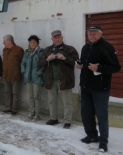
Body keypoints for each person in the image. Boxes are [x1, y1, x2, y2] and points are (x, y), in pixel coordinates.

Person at [76, 25, 120, 153]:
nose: (92, 35)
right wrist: (80, 65)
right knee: (87, 114)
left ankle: (103, 141)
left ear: (100, 34)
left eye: (94, 33)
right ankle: (91, 135)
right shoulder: (85, 47)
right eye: (90, 33)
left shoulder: (106, 47)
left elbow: (116, 67)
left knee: (101, 115)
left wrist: (99, 68)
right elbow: (85, 63)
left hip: (100, 88)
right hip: (85, 87)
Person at [39, 30, 79, 129]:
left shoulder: (70, 49)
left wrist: (65, 58)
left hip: (65, 80)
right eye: (55, 37)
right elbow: (40, 63)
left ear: (62, 37)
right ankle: (53, 118)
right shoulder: (47, 50)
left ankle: (67, 121)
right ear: (51, 39)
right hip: (51, 80)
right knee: (52, 101)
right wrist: (47, 59)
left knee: (67, 102)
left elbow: (76, 62)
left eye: (58, 37)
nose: (57, 39)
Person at [21, 35, 45, 121]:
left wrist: (39, 72)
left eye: (34, 42)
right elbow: (23, 63)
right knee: (30, 96)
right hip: (28, 77)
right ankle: (31, 112)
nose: (32, 43)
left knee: (36, 96)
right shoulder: (27, 52)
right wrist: (23, 71)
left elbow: (44, 64)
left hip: (37, 78)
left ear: (37, 43)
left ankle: (37, 114)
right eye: (31, 42)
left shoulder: (41, 52)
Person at [2, 34, 24, 115]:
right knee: (7, 92)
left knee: (15, 93)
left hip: (15, 75)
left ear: (9, 41)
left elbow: (22, 62)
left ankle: (14, 109)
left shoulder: (19, 50)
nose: (3, 43)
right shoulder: (4, 50)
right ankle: (8, 107)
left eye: (4, 41)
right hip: (6, 75)